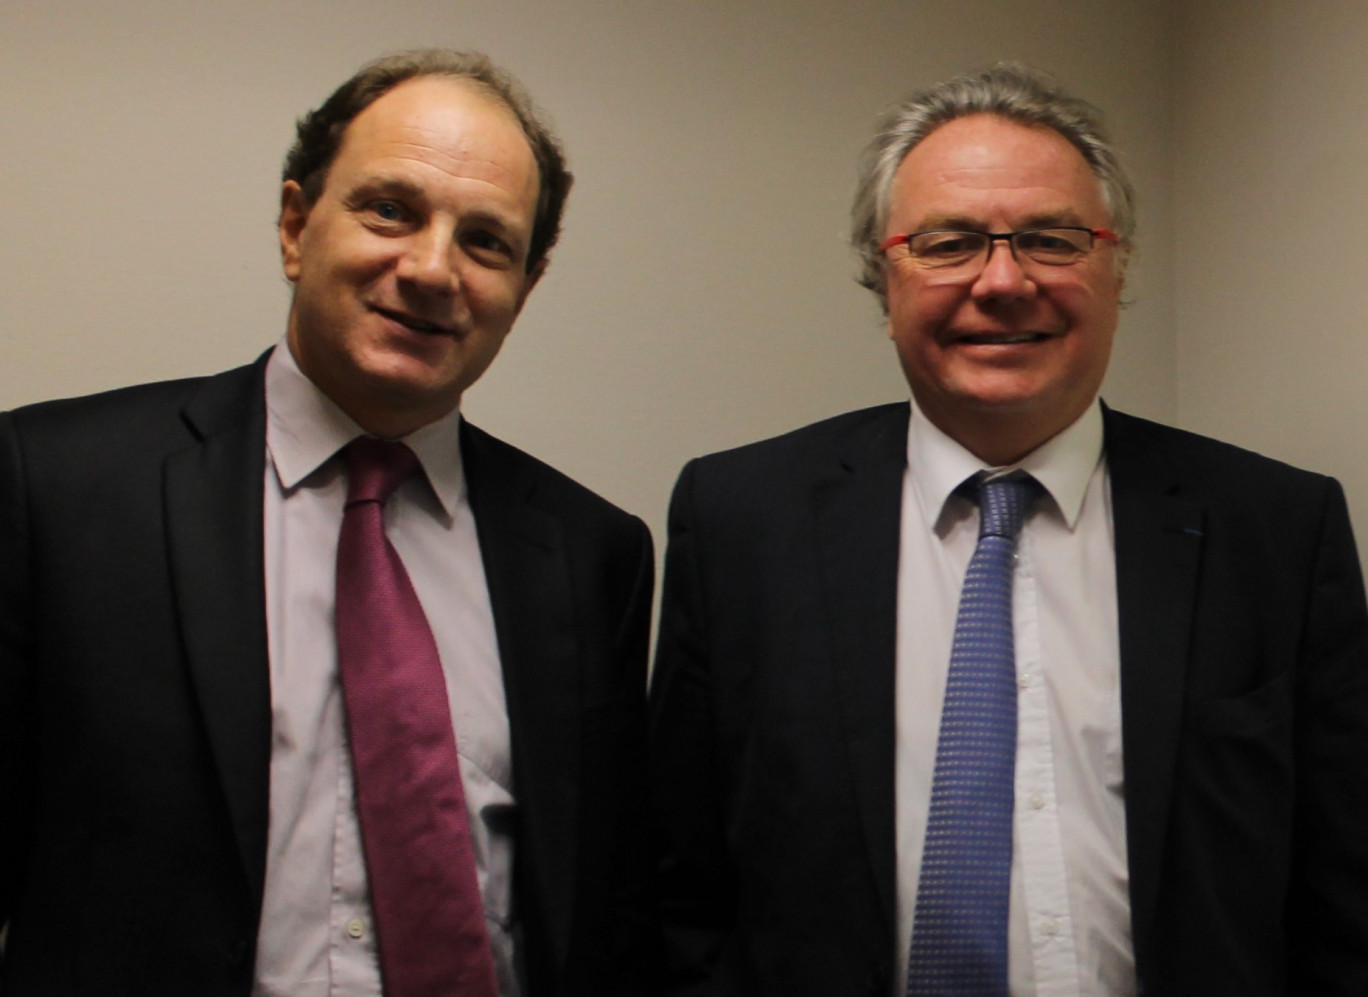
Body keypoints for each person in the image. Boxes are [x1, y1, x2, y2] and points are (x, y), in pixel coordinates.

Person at [649, 63, 1368, 995]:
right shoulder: (740, 519)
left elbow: (1344, 896)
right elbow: (680, 889)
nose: (1002, 280)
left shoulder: (1276, 529)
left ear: (1117, 266)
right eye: (948, 243)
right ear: (883, 275)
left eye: (1051, 238)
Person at [0, 49, 654, 996]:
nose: (432, 269)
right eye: (390, 209)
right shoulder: (52, 486)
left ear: (528, 280)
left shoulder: (593, 555)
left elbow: (609, 913)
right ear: (296, 224)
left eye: (485, 241)